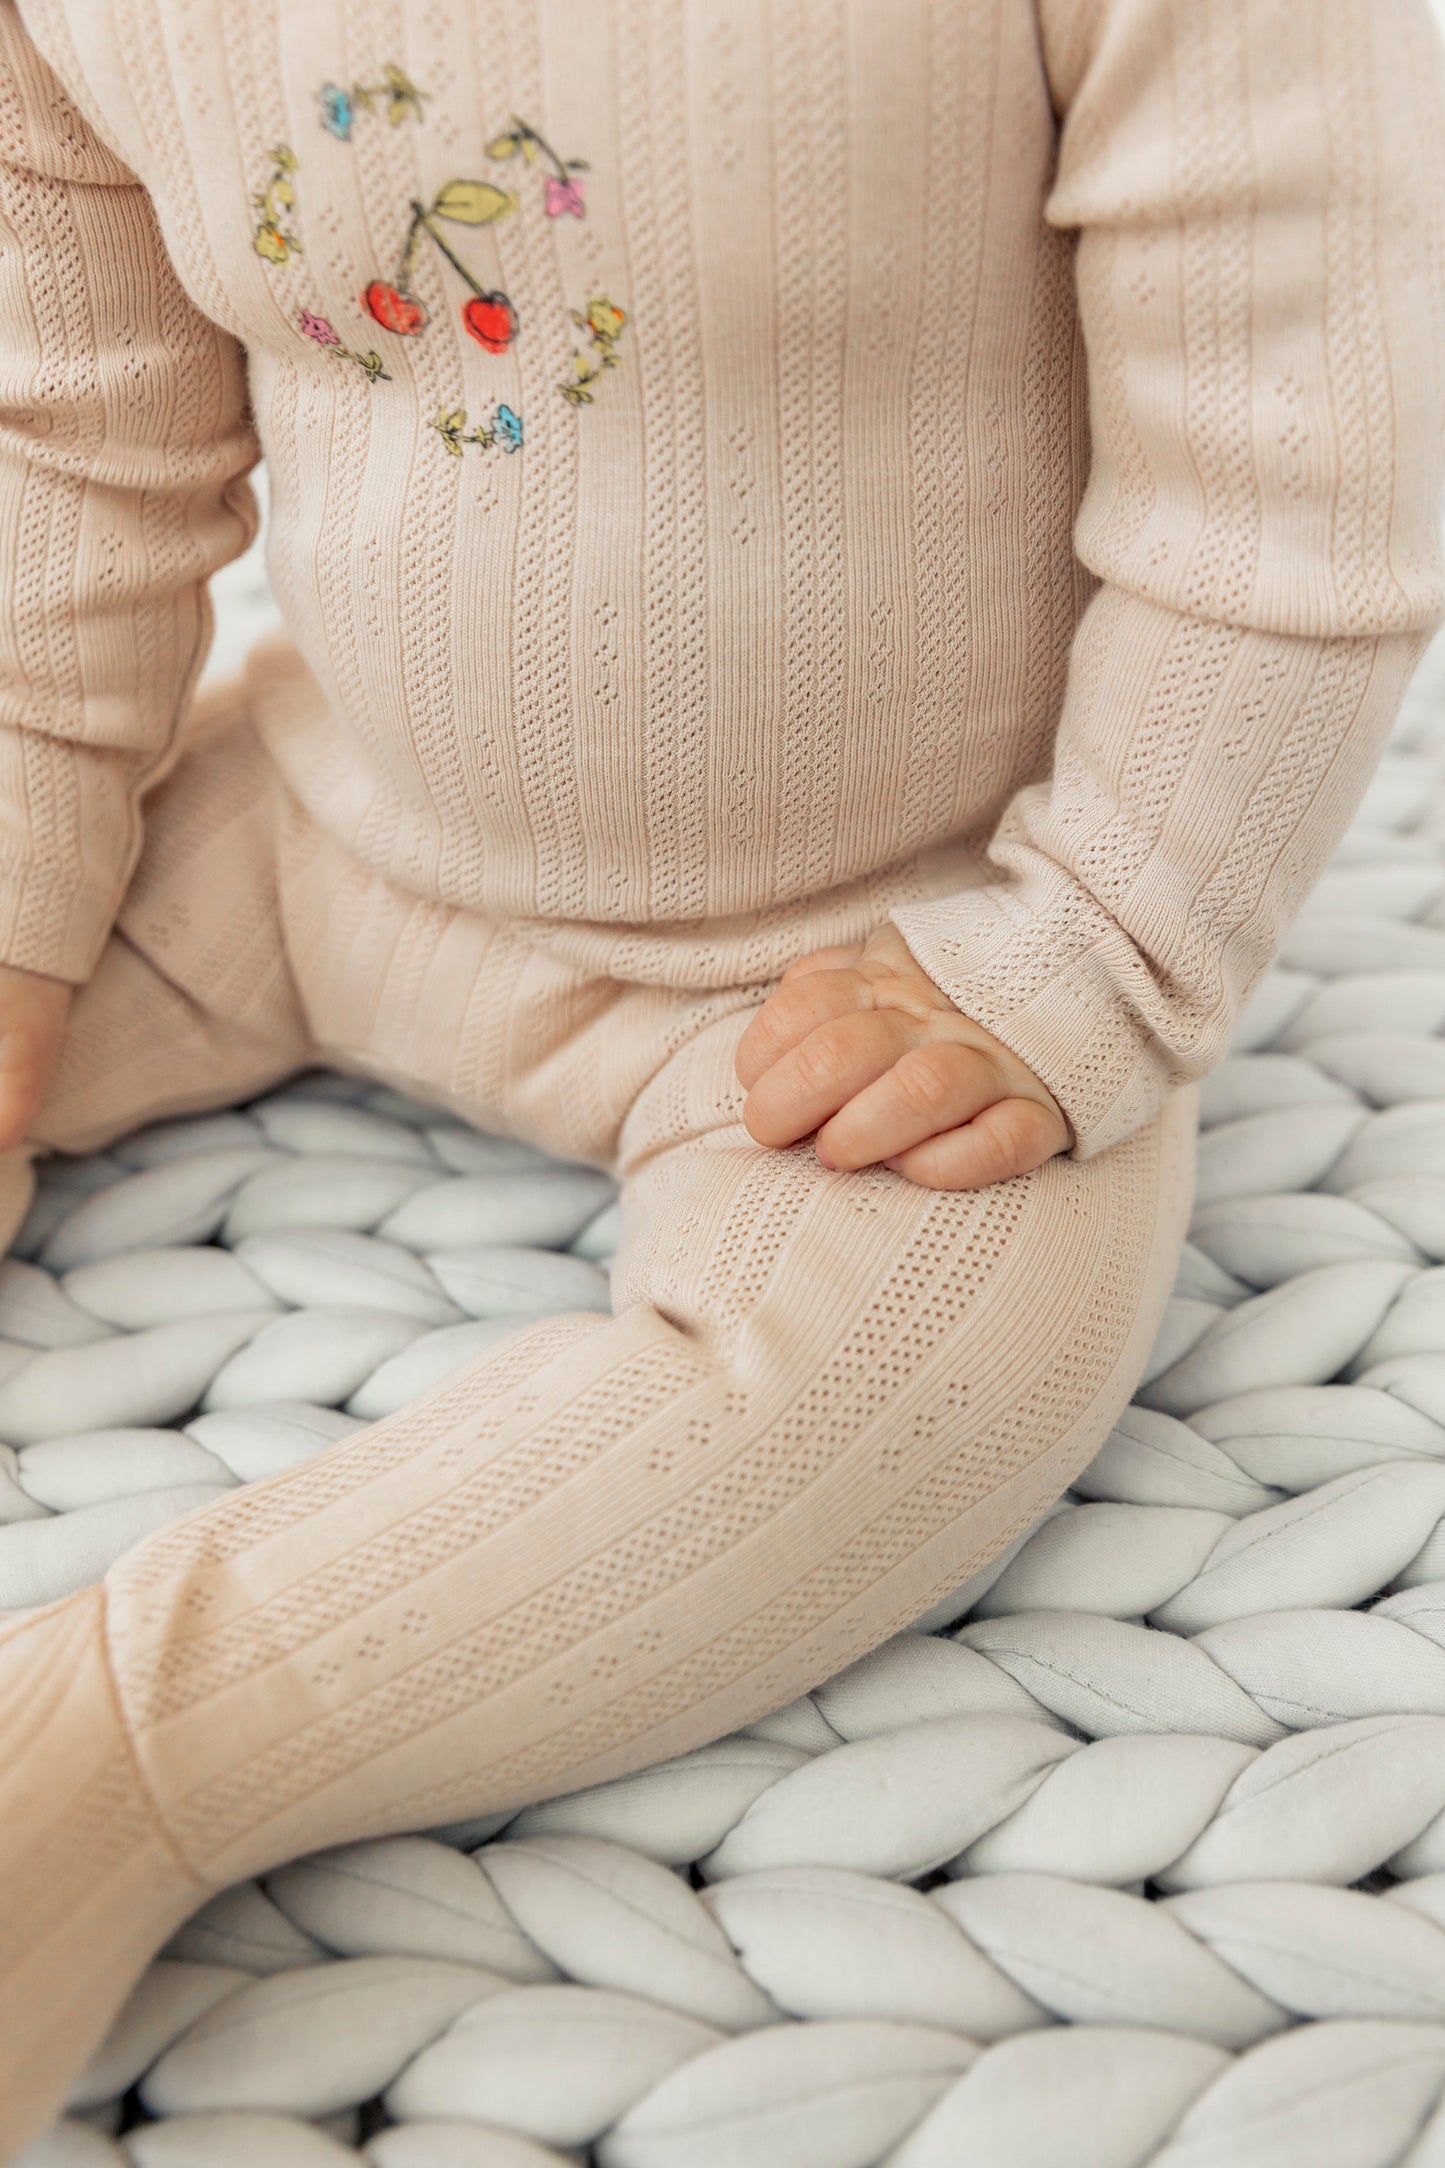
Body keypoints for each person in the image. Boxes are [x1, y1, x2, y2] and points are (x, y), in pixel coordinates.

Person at [0, 0, 1442, 2150]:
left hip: (878, 960)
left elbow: (1290, 477)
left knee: (914, 1374)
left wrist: (1096, 952)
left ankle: (104, 1759)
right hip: (326, 827)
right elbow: (70, 450)